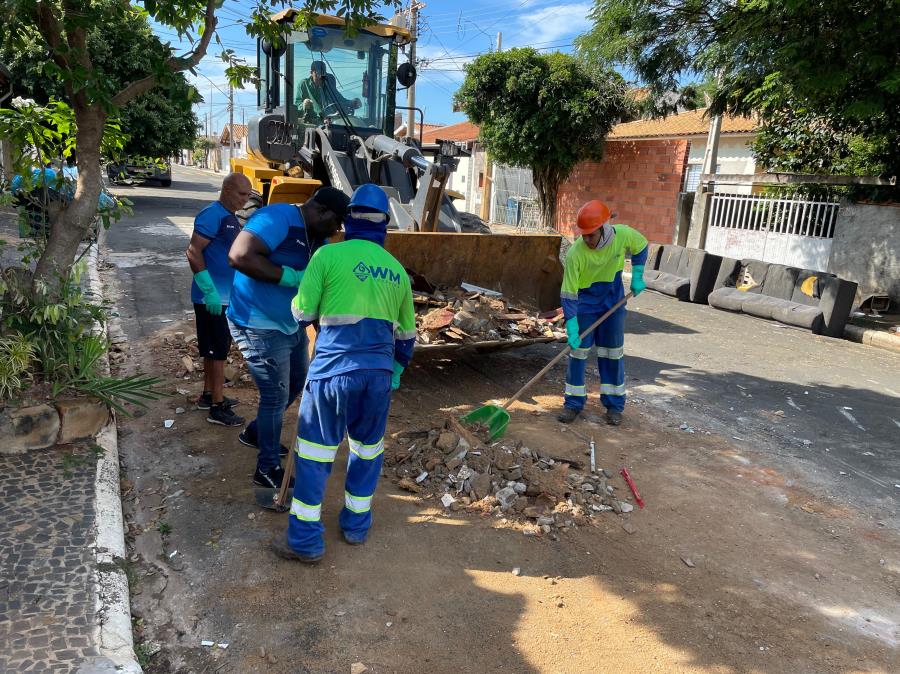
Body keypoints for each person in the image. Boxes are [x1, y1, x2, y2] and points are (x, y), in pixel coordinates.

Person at [271, 183, 415, 564]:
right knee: (367, 452)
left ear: (348, 219)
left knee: (316, 455)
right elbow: (407, 338)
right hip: (378, 377)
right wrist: (395, 370)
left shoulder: (327, 256)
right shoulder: (398, 273)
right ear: (385, 223)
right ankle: (356, 526)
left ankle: (304, 541)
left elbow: (301, 313)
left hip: (332, 373)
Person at [227, 186, 350, 489]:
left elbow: (318, 291)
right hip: (259, 324)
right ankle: (267, 468)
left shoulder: (316, 239)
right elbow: (239, 255)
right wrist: (293, 278)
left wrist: (327, 334)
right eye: (336, 222)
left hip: (291, 324)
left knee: (297, 382)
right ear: (320, 210)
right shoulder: (278, 217)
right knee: (275, 395)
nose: (338, 230)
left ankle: (256, 433)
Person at [557, 200, 648, 427]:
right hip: (586, 302)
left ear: (604, 229)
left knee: (612, 353)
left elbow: (642, 246)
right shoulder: (575, 254)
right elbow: (568, 293)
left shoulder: (623, 235)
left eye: (590, 235)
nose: (585, 240)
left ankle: (614, 406)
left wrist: (637, 274)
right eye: (583, 235)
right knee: (578, 353)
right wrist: (572, 324)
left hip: (613, 300)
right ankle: (573, 404)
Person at [186, 172, 252, 426]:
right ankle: (217, 406)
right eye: (241, 194)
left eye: (248, 195)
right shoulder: (212, 215)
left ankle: (208, 395)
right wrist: (209, 290)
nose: (245, 200)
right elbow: (193, 252)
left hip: (222, 297)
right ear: (226, 190)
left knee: (213, 349)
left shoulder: (229, 217)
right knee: (217, 352)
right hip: (211, 298)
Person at [295, 60, 361, 125]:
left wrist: (352, 103)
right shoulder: (303, 84)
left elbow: (339, 99)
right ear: (311, 72)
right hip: (311, 122)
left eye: (322, 74)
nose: (320, 77)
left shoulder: (328, 85)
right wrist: (304, 105)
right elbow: (297, 106)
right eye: (317, 74)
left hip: (329, 121)